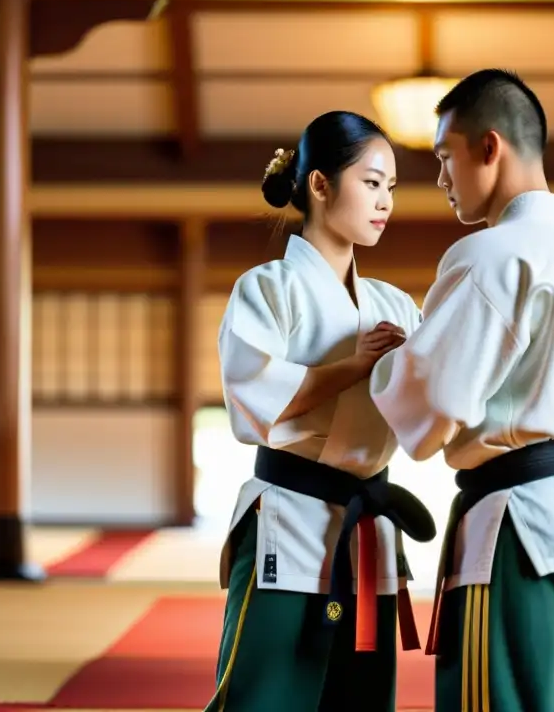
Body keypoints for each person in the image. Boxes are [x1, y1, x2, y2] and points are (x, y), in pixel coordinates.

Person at [370, 70, 554, 712]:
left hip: (519, 526)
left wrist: (390, 361)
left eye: (444, 157)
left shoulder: (491, 254)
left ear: (489, 147)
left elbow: (433, 402)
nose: (439, 180)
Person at [205, 111, 436, 712]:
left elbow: (425, 410)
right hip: (289, 516)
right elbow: (253, 400)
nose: (385, 201)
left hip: (367, 530)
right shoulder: (266, 289)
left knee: (358, 700)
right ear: (319, 184)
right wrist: (353, 367)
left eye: (391, 188)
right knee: (263, 695)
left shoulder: (393, 303)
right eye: (371, 182)